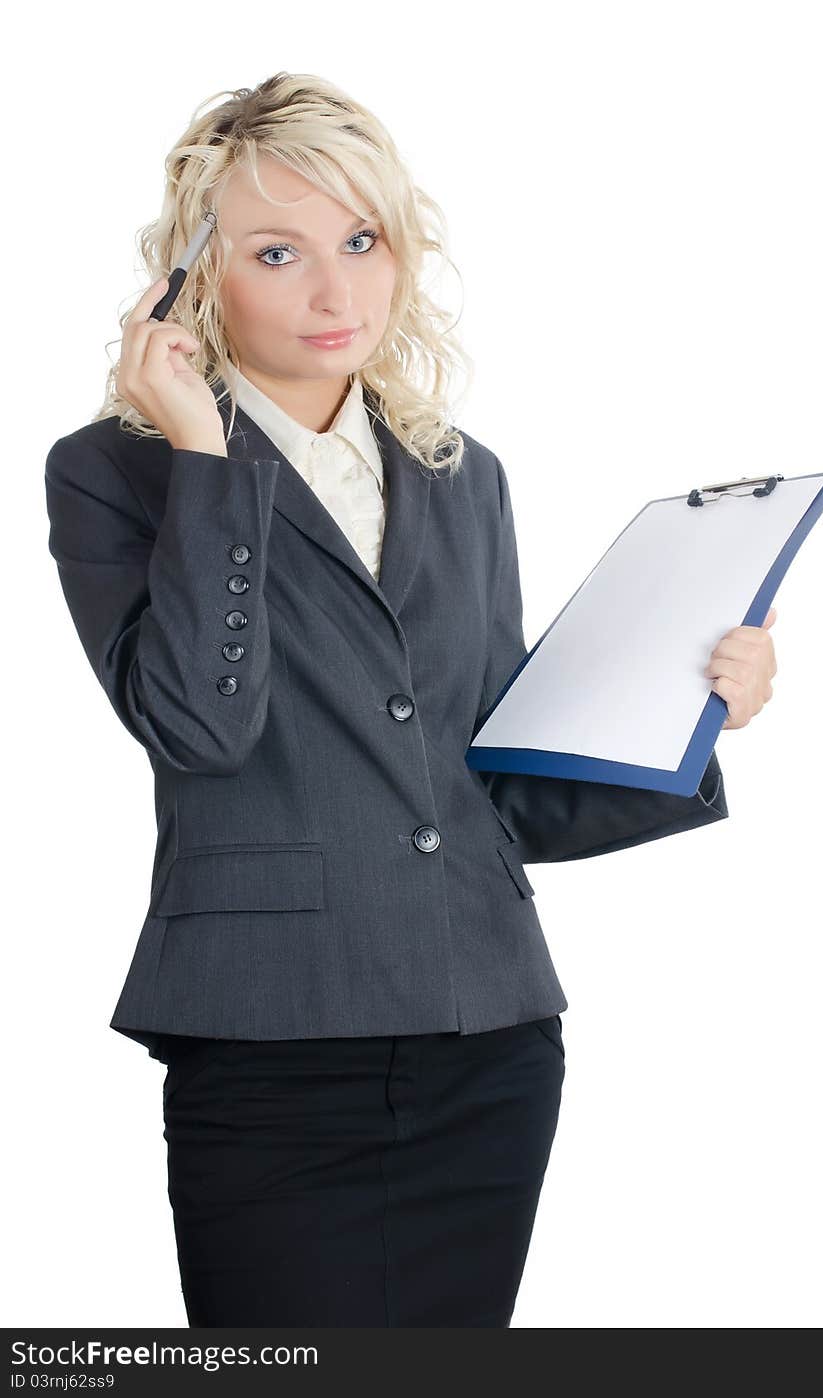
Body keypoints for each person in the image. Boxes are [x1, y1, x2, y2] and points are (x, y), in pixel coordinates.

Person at [43, 72, 776, 1328]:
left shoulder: (459, 475)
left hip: (486, 1035)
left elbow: (490, 784)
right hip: (272, 1040)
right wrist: (206, 459)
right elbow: (197, 726)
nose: (337, 293)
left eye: (362, 241)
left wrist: (693, 709)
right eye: (278, 253)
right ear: (193, 276)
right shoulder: (118, 471)